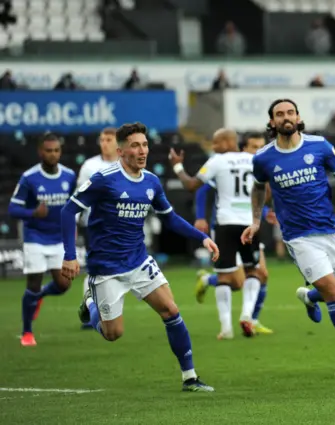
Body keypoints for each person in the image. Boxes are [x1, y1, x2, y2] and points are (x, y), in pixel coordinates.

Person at [60, 122, 218, 392]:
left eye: (145, 144)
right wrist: (69, 255)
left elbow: (170, 219)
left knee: (171, 311)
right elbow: (67, 211)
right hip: (107, 267)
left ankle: (190, 377)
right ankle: (91, 303)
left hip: (139, 261)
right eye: (135, 145)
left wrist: (201, 237)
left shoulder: (151, 181)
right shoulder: (104, 178)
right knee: (113, 334)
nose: (142, 150)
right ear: (121, 151)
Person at [240, 98, 335, 373]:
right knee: (333, 293)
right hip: (298, 237)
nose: (286, 117)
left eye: (290, 112)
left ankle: (309, 296)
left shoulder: (320, 146)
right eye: (280, 114)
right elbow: (259, 190)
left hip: (329, 231)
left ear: (298, 116)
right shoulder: (263, 158)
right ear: (272, 122)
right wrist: (256, 221)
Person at [169, 130, 273, 338]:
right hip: (249, 224)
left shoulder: (217, 161)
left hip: (225, 224)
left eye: (216, 143)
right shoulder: (255, 160)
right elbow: (267, 192)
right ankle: (246, 315)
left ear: (227, 142)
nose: (214, 147)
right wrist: (263, 209)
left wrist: (177, 166)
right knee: (254, 272)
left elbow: (191, 185)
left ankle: (226, 328)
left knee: (225, 276)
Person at [8, 133, 76, 347]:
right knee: (33, 284)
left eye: (56, 150)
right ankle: (27, 332)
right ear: (40, 152)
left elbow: (74, 208)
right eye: (49, 150)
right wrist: (33, 214)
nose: (53, 154)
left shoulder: (69, 176)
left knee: (64, 284)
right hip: (35, 237)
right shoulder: (29, 177)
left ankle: (39, 297)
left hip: (59, 239)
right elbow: (13, 208)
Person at [76, 127, 119, 329]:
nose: (105, 143)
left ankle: (93, 305)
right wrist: (75, 221)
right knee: (96, 268)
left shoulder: (123, 164)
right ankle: (91, 305)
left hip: (119, 226)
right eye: (102, 139)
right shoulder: (90, 166)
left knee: (114, 269)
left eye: (109, 139)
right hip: (94, 225)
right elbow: (79, 196)